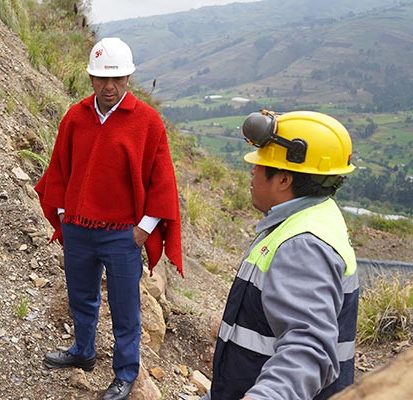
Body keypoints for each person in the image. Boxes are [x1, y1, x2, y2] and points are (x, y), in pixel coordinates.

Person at [34, 37, 183, 400]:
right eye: (102, 78)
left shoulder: (147, 121)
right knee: (81, 296)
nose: (109, 86)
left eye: (117, 78)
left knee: (125, 307)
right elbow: (60, 168)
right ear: (90, 78)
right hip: (80, 230)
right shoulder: (76, 116)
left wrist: (143, 229)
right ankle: (83, 352)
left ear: (129, 78)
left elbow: (161, 180)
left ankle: (125, 372)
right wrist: (65, 213)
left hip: (122, 235)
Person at [204, 110, 359, 400]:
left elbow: (308, 350)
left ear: (284, 180)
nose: (253, 171)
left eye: (261, 165)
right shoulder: (313, 216)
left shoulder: (303, 246)